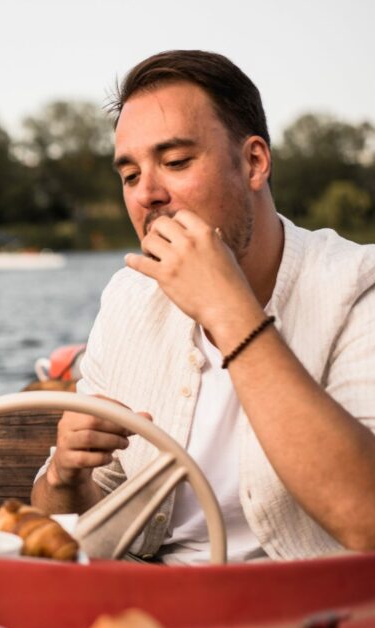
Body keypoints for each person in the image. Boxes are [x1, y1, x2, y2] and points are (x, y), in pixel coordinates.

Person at [31, 50, 375, 562]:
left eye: (175, 162)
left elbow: (366, 520)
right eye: (129, 175)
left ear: (254, 162)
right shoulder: (128, 299)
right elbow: (83, 532)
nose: (147, 193)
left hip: (312, 618)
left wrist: (227, 306)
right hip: (155, 607)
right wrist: (65, 476)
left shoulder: (357, 287)